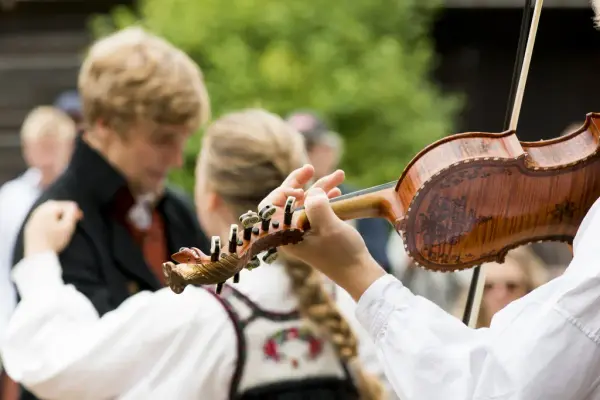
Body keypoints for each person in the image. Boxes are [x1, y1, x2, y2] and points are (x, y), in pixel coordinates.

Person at [1, 109, 394, 400]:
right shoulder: (357, 304)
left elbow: (54, 366)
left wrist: (38, 260)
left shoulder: (194, 314)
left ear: (210, 198)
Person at [10, 27, 210, 399]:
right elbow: (73, 370)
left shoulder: (176, 211)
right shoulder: (55, 225)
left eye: (182, 139)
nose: (177, 158)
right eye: (162, 139)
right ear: (105, 124)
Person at [0, 106, 75, 400]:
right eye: (37, 147)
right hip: (15, 310)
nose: (44, 157)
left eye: (51, 147)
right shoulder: (10, 199)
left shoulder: (79, 197)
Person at [286, 110, 391, 272]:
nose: (298, 155)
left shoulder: (360, 201)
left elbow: (381, 269)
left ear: (329, 151)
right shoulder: (275, 203)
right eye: (290, 147)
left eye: (308, 146)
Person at [452, 246, 548, 328]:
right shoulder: (460, 342)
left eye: (511, 287)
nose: (500, 295)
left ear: (529, 290)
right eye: (488, 287)